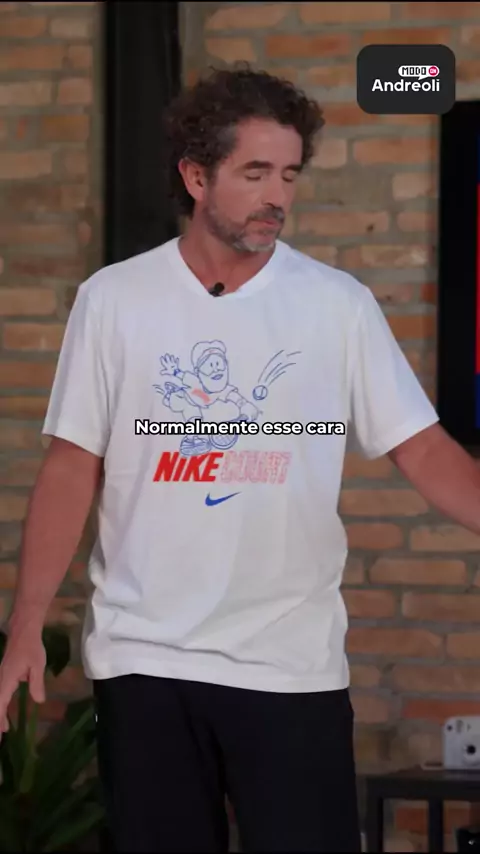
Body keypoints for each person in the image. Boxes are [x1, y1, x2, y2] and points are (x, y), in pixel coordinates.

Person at [0, 64, 478, 854]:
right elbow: (71, 467)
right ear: (196, 177)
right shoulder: (113, 300)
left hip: (289, 665)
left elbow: (422, 447)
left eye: (288, 174)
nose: (276, 195)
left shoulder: (337, 305)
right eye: (255, 173)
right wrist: (24, 628)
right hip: (145, 661)